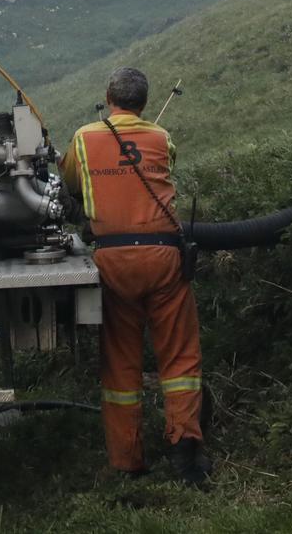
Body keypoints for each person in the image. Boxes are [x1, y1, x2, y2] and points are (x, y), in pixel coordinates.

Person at [61, 66, 209, 486]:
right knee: (180, 359)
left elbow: (71, 182)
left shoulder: (84, 139)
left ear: (109, 97)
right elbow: (168, 166)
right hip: (164, 258)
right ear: (144, 103)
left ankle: (128, 462)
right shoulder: (161, 138)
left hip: (112, 261)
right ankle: (185, 454)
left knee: (120, 366)